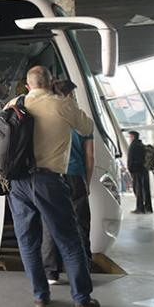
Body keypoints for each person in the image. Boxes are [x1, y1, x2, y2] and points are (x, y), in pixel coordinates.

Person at [5, 67, 99, 307]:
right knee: (69, 240)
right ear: (51, 83)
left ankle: (40, 296)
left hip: (17, 183)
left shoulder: (13, 103)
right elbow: (87, 128)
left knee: (27, 241)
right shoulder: (62, 105)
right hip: (49, 181)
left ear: (28, 86)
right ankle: (81, 299)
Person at [41, 80, 93, 285]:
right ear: (70, 95)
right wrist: (86, 182)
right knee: (80, 222)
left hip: (51, 175)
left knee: (49, 222)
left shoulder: (48, 116)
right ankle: (83, 267)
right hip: (74, 176)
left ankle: (50, 271)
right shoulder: (80, 120)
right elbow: (90, 156)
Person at [127, 131, 152, 214]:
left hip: (136, 169)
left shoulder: (133, 145)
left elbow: (130, 158)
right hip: (144, 169)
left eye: (130, 136)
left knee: (138, 189)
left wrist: (130, 169)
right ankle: (148, 208)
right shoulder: (142, 145)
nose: (129, 138)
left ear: (133, 137)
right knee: (145, 188)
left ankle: (140, 208)